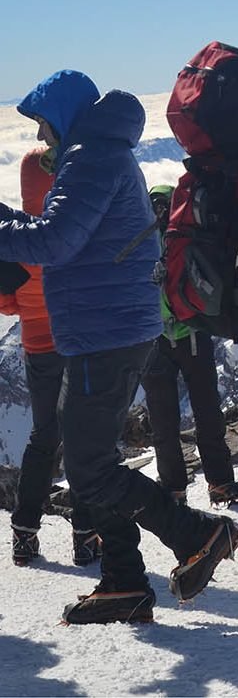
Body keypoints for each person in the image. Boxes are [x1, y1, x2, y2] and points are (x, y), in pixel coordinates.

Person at [0, 69, 238, 625]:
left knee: (88, 467)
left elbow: (54, 242)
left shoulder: (90, 157)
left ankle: (199, 533)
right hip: (109, 326)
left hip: (104, 332)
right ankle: (124, 583)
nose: (42, 136)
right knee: (95, 459)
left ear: (62, 114)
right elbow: (60, 230)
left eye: (43, 123)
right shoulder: (96, 153)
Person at [1, 147, 101, 567]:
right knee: (82, 437)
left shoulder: (14, 236)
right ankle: (85, 535)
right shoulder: (73, 228)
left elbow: (7, 305)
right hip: (78, 343)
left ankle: (25, 533)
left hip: (37, 346)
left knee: (43, 436)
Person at [142, 185, 238, 507]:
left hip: (156, 337)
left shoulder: (143, 241)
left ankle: (174, 490)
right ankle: (219, 483)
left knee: (165, 420)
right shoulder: (184, 237)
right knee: (205, 412)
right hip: (193, 332)